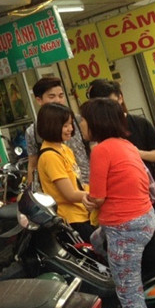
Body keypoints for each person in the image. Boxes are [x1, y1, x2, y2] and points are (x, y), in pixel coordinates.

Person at [79, 98, 155, 308]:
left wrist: (88, 200)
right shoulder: (126, 144)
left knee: (129, 294)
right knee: (96, 239)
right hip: (145, 218)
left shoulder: (101, 150)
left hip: (125, 228)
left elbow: (98, 197)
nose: (80, 125)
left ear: (96, 122)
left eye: (83, 119)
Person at [86, 79, 155, 204]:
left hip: (147, 192)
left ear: (120, 98)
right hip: (115, 196)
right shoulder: (93, 133)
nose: (106, 109)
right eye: (100, 105)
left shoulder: (140, 123)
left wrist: (136, 153)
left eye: (110, 102)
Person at [36, 103, 95, 241]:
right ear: (51, 126)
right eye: (65, 125)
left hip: (84, 214)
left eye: (71, 124)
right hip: (71, 220)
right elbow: (70, 194)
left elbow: (78, 184)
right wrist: (99, 195)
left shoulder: (64, 149)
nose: (71, 129)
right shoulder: (50, 156)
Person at [25, 76, 89, 189]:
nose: (58, 100)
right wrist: (31, 191)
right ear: (39, 100)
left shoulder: (79, 121)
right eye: (52, 96)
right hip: (60, 190)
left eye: (61, 96)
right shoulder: (33, 131)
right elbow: (33, 165)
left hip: (89, 185)